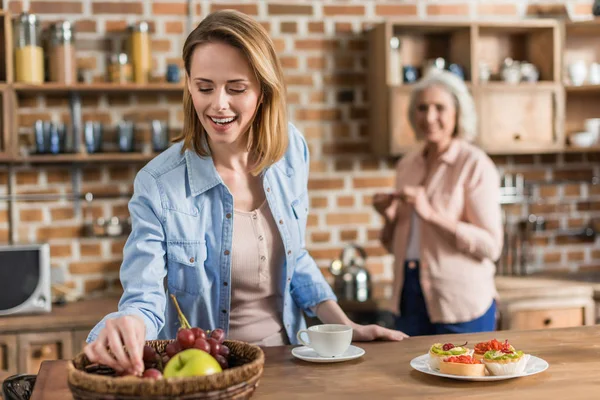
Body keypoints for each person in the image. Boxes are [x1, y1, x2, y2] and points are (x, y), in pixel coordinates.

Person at [84, 10, 407, 376]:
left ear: (263, 90)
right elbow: (144, 296)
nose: (218, 104)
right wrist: (124, 325)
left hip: (292, 361)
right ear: (189, 86)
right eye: (204, 87)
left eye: (236, 88)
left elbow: (294, 257)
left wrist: (344, 327)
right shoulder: (158, 184)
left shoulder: (291, 151)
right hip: (211, 374)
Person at [373, 70, 503, 337]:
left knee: (463, 375)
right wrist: (388, 217)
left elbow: (491, 246)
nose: (429, 117)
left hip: (461, 302)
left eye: (439, 108)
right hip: (408, 296)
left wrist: (430, 214)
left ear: (458, 113)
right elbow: (394, 247)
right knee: (408, 375)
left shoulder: (475, 164)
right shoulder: (407, 165)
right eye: (422, 108)